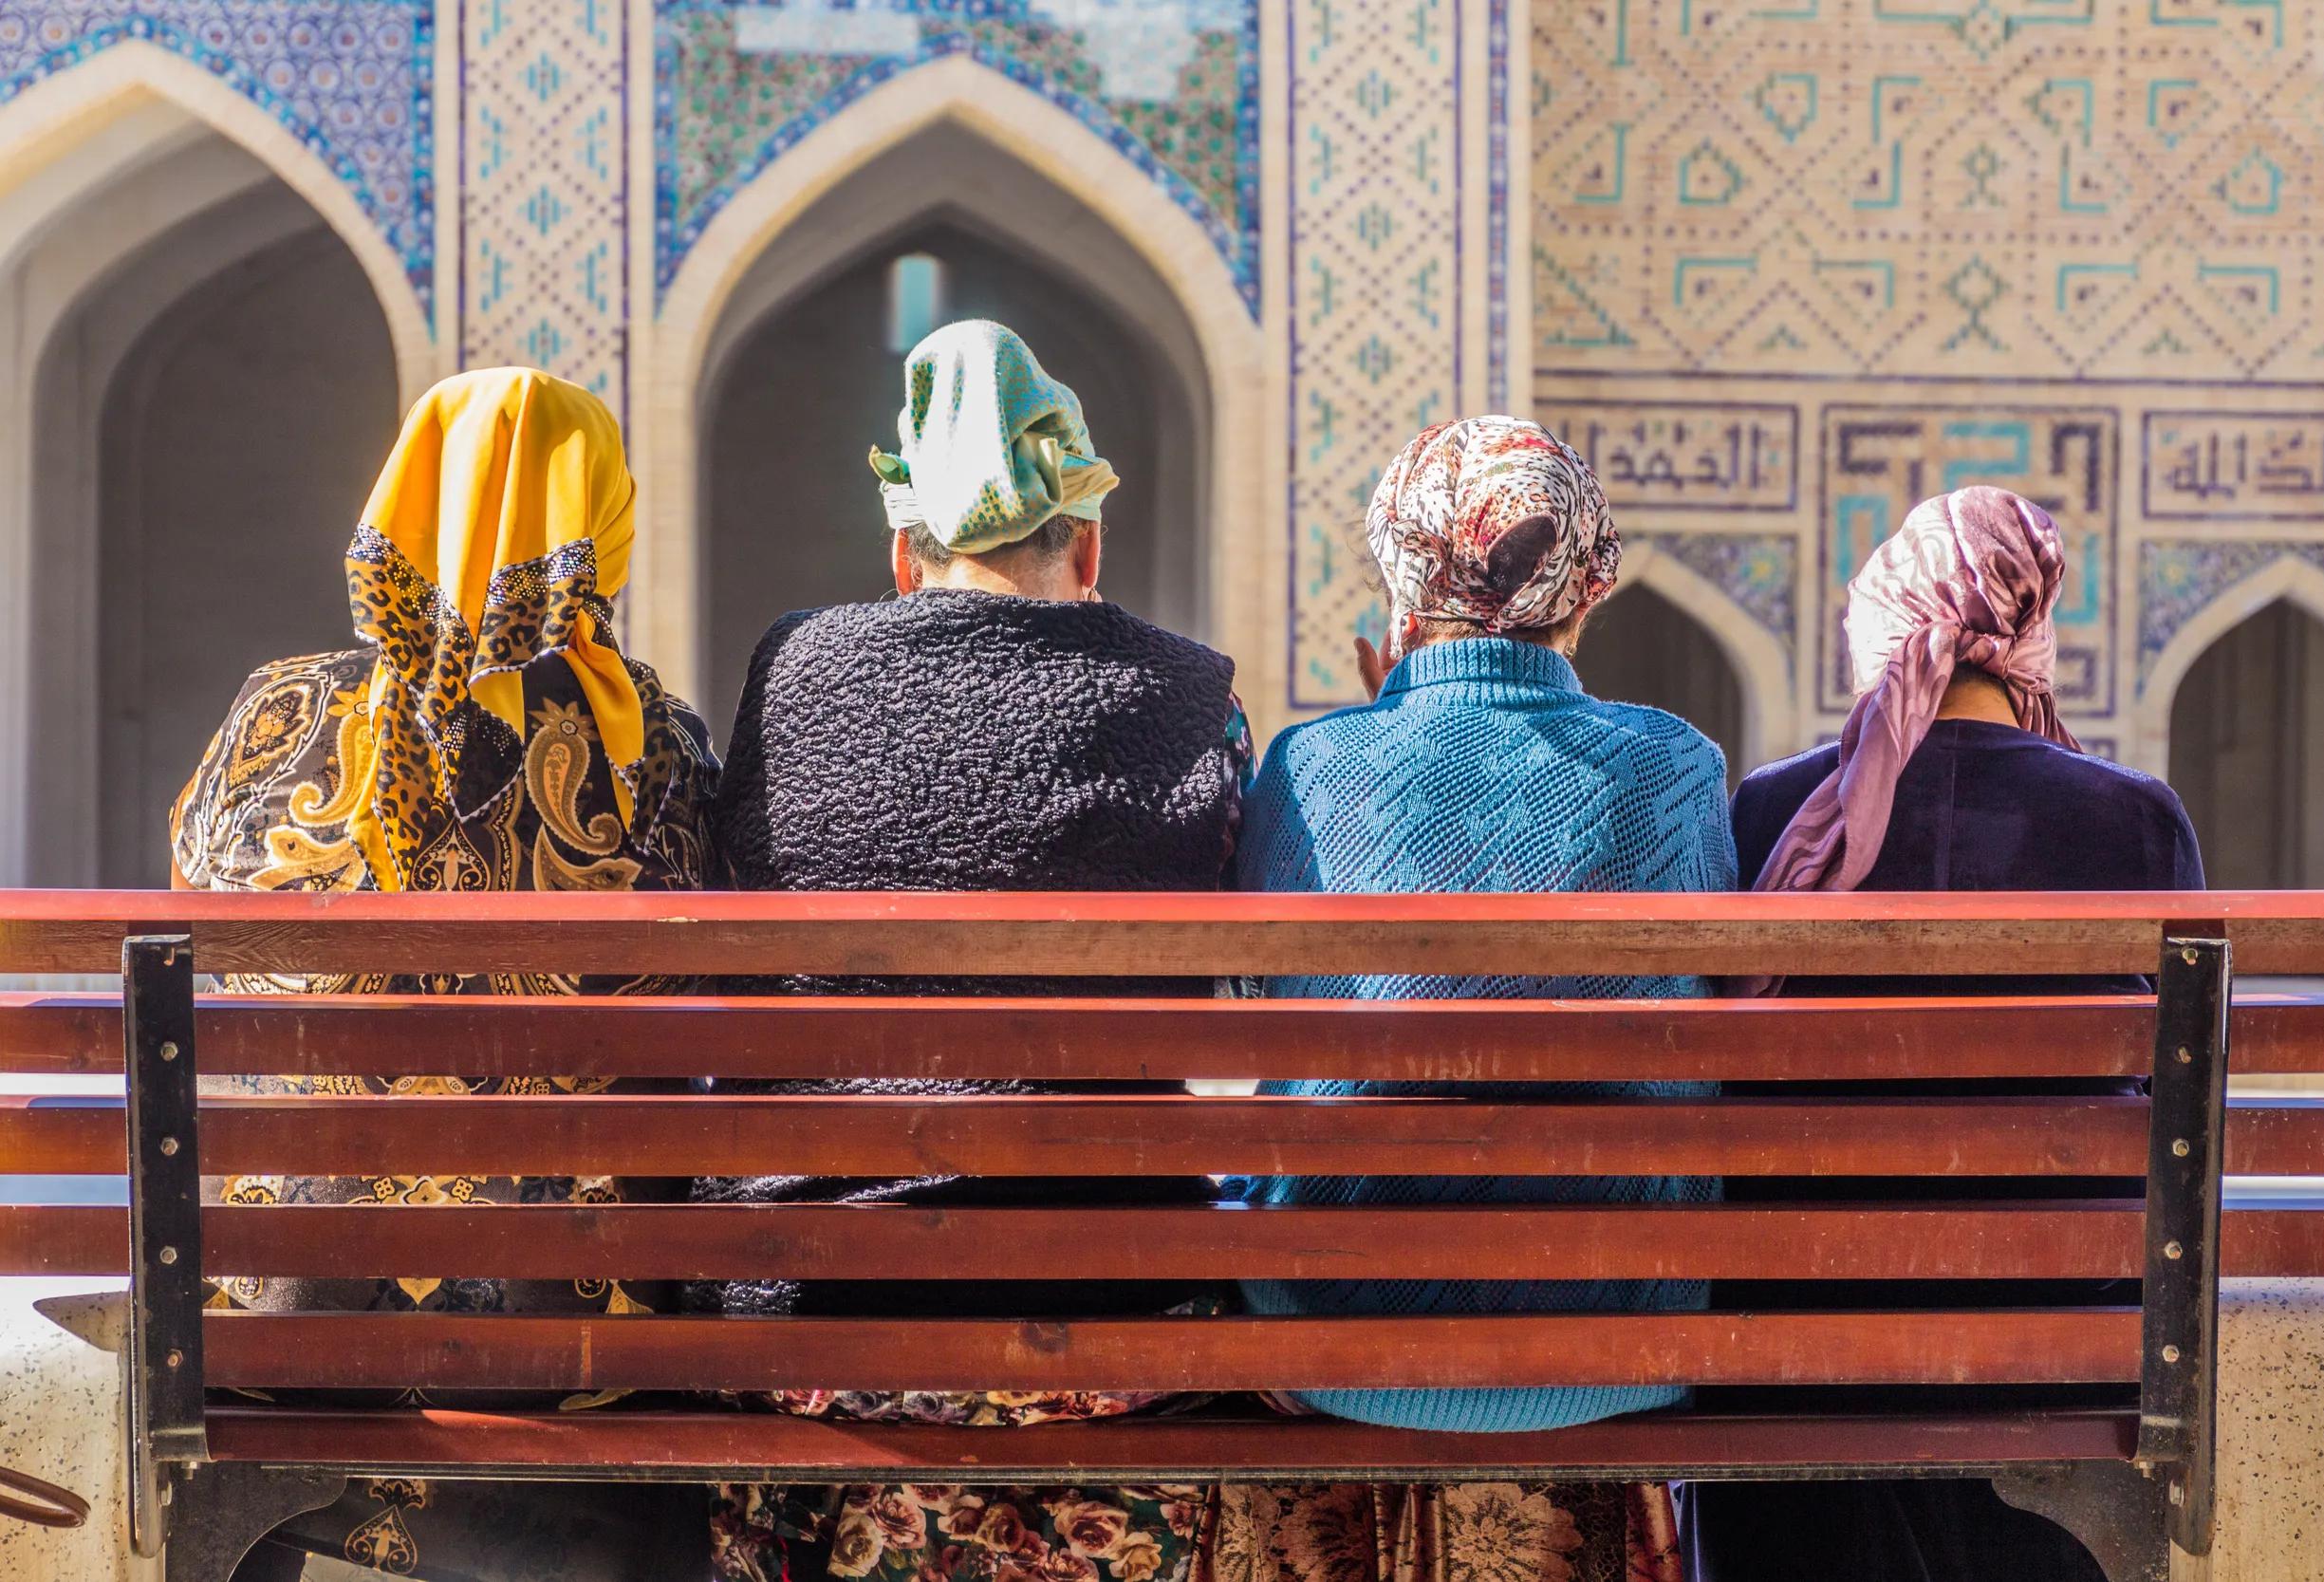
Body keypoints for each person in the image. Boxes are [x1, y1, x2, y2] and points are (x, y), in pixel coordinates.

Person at [698, 320, 1250, 1582]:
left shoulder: (794, 666)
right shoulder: (1190, 687)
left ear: (903, 553)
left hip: (824, 1323)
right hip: (1121, 1318)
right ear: (1090, 545)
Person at [170, 367, 722, 1580]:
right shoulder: (662, 748)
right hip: (571, 1358)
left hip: (276, 1333)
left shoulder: (280, 709)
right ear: (604, 529)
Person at [1215, 416, 1734, 1582]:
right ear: (1586, 581)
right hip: (1626, 1344)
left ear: (1402, 576)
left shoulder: (1310, 764)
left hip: (1338, 1340)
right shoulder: (1675, 765)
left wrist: (1379, 730)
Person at [1688, 486, 2205, 1582]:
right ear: (2028, 635)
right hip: (2059, 1348)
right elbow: (2183, 1113)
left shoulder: (1775, 810)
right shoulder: (2134, 817)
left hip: (1789, 1345)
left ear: (1879, 629)